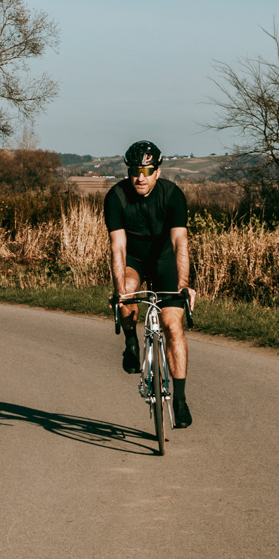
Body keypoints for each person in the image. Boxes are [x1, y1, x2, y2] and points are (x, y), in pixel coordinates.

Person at [103, 140, 196, 427]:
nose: (140, 176)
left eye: (147, 170)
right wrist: (120, 291)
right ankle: (131, 343)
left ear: (157, 171)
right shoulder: (116, 196)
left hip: (165, 260)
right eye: (135, 170)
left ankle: (179, 399)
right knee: (127, 291)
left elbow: (180, 242)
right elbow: (117, 247)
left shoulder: (172, 195)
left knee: (172, 325)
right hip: (134, 258)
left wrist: (183, 285)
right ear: (128, 170)